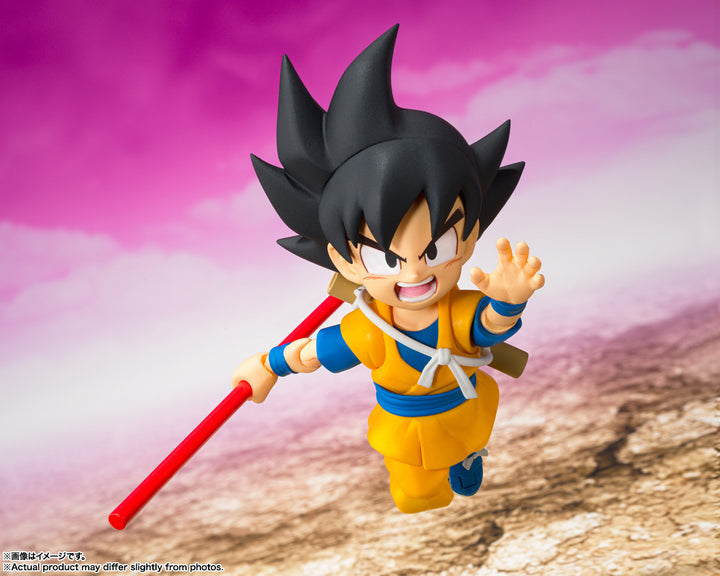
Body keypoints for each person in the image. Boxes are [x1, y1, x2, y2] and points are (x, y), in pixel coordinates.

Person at [232, 25, 545, 513]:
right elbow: (314, 353)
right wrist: (269, 365)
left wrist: (508, 301)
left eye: (436, 248)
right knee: (416, 496)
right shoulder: (370, 328)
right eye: (386, 259)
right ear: (345, 261)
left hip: (463, 410)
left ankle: (466, 455)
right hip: (406, 427)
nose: (415, 274)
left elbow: (486, 327)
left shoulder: (457, 309)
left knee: (461, 447)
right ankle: (441, 473)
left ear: (467, 240)